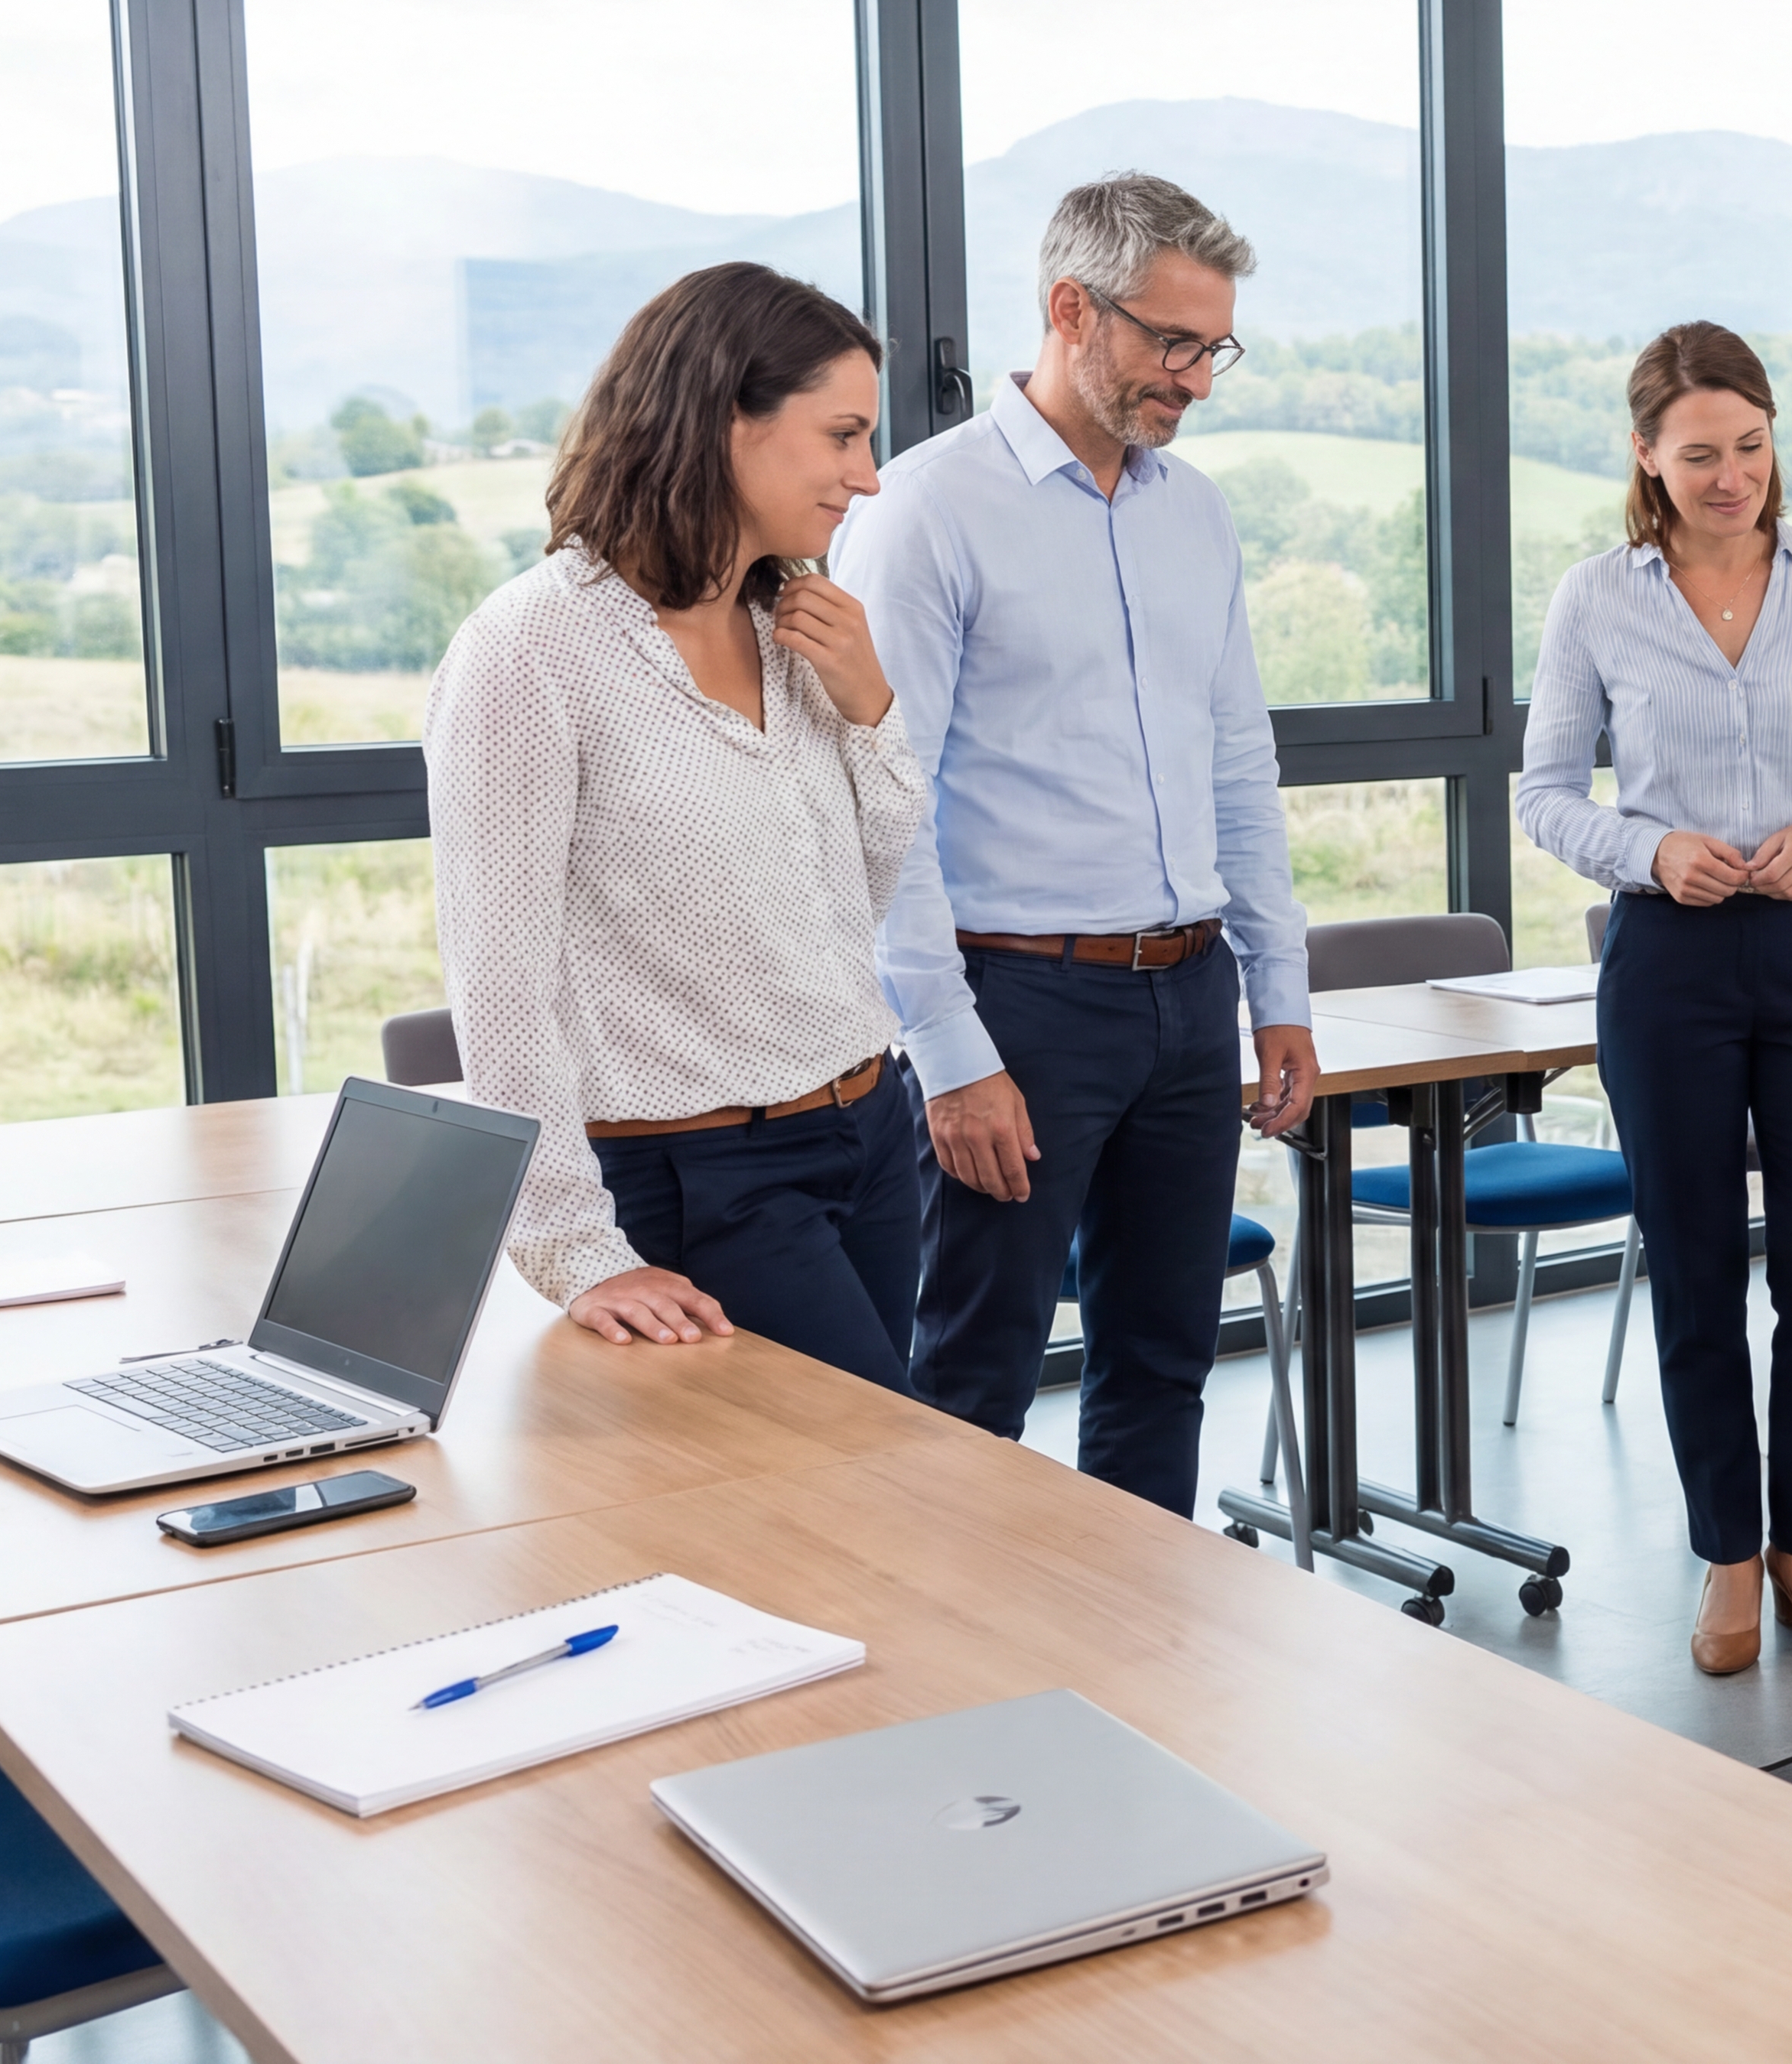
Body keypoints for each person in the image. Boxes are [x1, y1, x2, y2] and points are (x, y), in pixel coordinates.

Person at [839, 174, 1316, 1515]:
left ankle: (1135, 1677)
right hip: (1020, 1005)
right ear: (1070, 310)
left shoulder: (1195, 513)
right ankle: (966, 1699)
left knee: (1162, 1369)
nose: (1199, 382)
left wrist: (1276, 991)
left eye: (1214, 347)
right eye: (1174, 344)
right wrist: (949, 1054)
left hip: (1189, 992)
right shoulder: (929, 511)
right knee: (973, 1384)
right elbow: (886, 802)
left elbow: (1238, 766)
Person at [427, 263, 926, 1392]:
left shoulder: (796, 623)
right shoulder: (531, 650)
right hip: (701, 1173)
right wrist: (573, 1251)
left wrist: (869, 711)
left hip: (870, 1131)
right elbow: (502, 985)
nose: (869, 478)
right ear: (725, 421)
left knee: (867, 1513)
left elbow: (863, 898)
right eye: (842, 436)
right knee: (864, 1501)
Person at [1520, 320, 1792, 1677]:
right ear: (1646, 454)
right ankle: (1729, 1557)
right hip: (1668, 962)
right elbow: (1544, 792)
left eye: (1750, 447)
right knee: (1693, 1268)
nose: (1732, 476)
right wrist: (1649, 852)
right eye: (1701, 455)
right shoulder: (1595, 597)